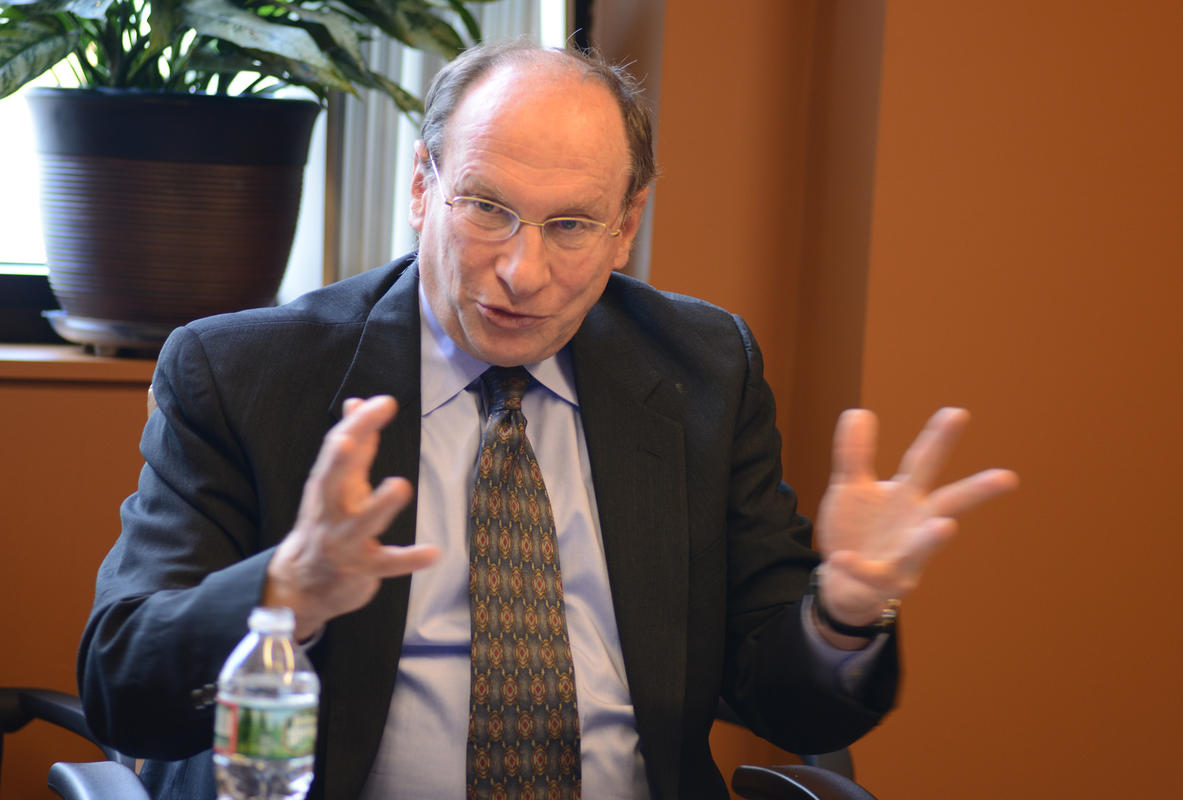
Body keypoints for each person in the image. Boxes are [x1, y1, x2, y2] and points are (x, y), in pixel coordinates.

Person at [78, 41, 1017, 800]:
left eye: (570, 226)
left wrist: (844, 613)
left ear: (625, 225)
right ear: (421, 187)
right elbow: (122, 682)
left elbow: (786, 699)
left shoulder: (699, 369)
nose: (522, 273)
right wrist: (284, 595)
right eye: (488, 209)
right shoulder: (243, 373)